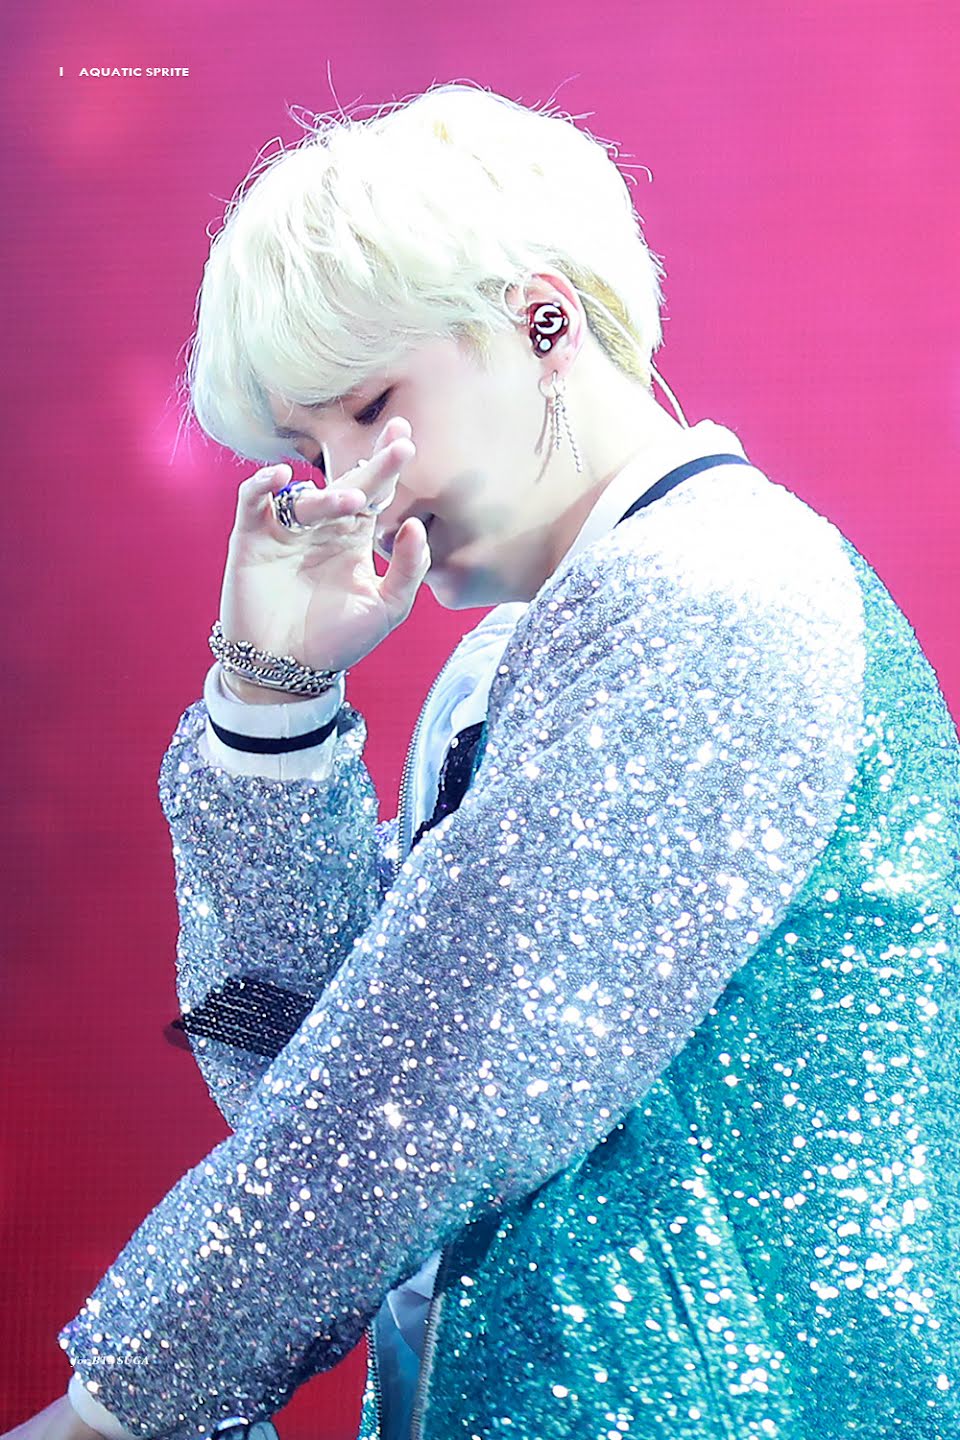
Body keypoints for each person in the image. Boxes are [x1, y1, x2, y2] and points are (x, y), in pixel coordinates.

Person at [12, 81, 960, 1440]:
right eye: (306, 447)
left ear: (544, 321)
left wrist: (120, 1406)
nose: (347, 487)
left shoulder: (713, 594)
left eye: (369, 408)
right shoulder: (518, 654)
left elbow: (412, 1104)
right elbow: (304, 1081)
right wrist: (271, 704)